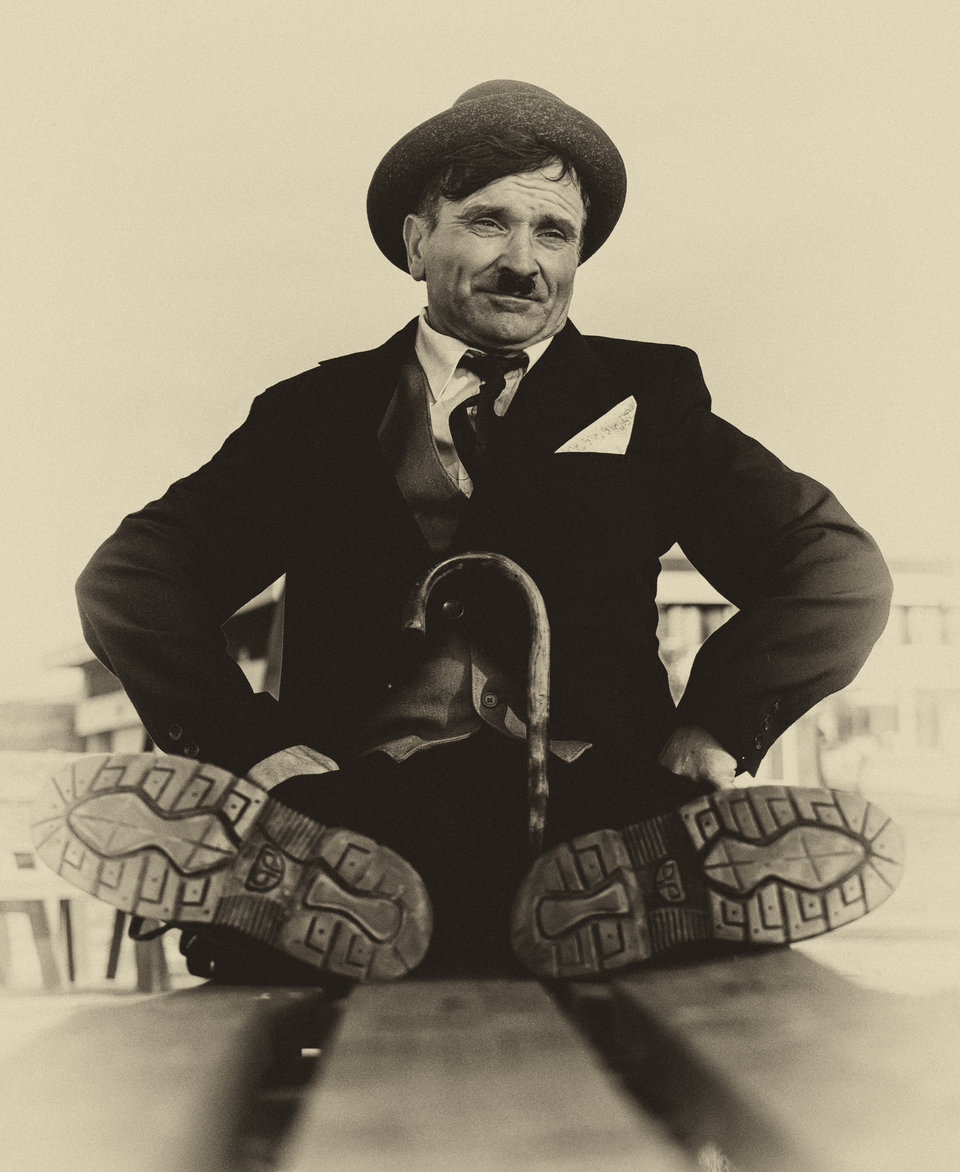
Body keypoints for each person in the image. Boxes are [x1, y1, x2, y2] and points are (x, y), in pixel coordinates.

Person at [31, 80, 903, 986]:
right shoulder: (313, 417)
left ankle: (650, 889)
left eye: (554, 233)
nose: (523, 262)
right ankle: (306, 888)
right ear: (417, 242)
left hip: (589, 802)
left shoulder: (647, 402)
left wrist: (715, 724)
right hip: (360, 807)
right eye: (489, 223)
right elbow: (133, 580)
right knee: (356, 854)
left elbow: (836, 570)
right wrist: (246, 745)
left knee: (606, 844)